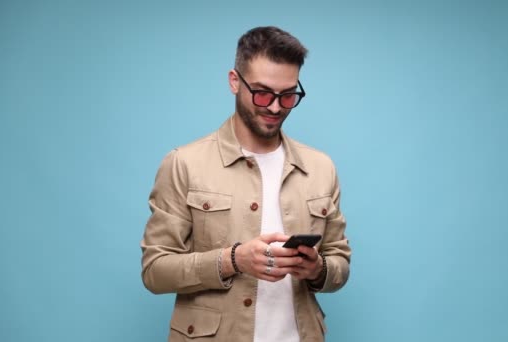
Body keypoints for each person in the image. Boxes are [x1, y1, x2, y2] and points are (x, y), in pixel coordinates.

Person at [140, 26, 351, 342]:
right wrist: (232, 260)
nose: (276, 107)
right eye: (263, 93)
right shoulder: (183, 163)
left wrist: (317, 269)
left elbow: (340, 263)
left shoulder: (321, 167)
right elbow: (155, 271)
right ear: (234, 82)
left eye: (289, 95)